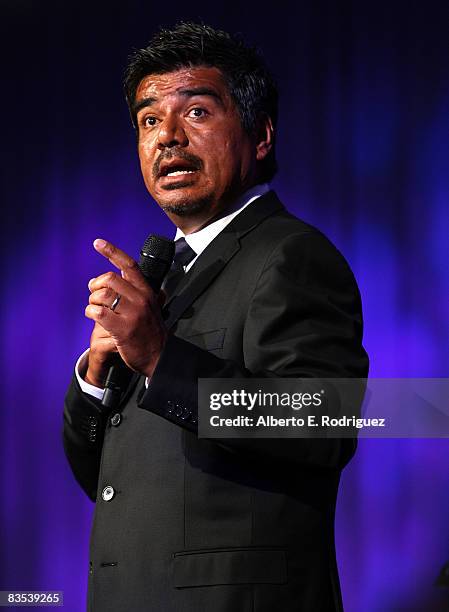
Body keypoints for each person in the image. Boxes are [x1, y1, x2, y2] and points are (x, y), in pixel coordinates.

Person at [63, 22, 369, 612]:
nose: (168, 138)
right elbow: (108, 482)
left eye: (197, 112)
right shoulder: (164, 281)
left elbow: (321, 423)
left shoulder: (290, 255)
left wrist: (157, 355)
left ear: (260, 136)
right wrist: (97, 375)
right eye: (150, 121)